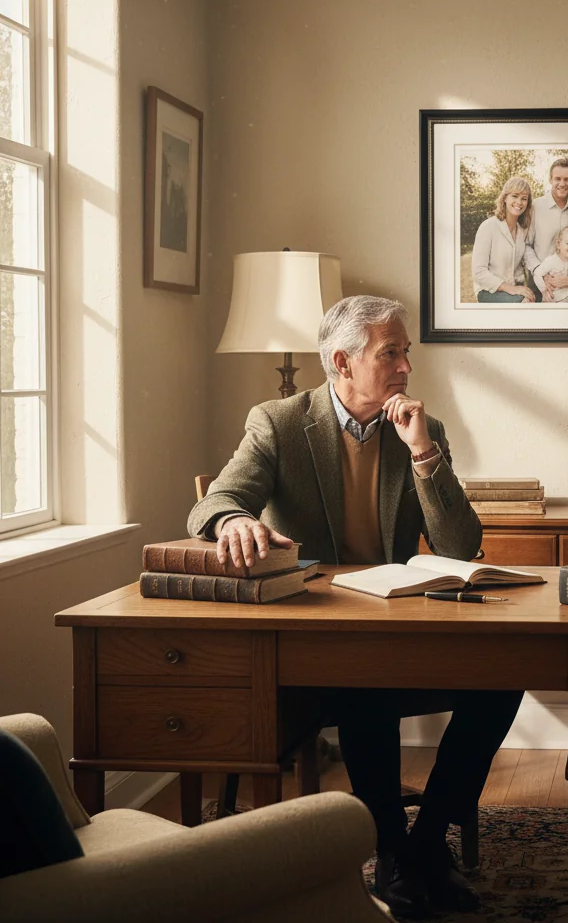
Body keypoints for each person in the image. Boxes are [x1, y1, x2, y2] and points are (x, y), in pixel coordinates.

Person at [187, 295, 524, 918]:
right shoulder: (280, 422)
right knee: (367, 686)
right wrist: (233, 518)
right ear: (341, 361)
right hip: (314, 644)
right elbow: (217, 500)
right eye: (388, 353)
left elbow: (459, 545)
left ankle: (423, 844)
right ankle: (392, 849)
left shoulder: (425, 430)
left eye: (406, 353)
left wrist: (423, 452)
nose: (404, 368)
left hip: (398, 626)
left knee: (505, 680)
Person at [471, 176, 536, 303]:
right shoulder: (488, 227)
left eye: (524, 199)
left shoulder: (522, 230)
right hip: (488, 291)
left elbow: (525, 261)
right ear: (505, 198)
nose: (519, 202)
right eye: (515, 196)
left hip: (514, 288)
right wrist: (511, 289)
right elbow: (478, 272)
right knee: (524, 303)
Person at [524, 158, 568, 273]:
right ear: (550, 179)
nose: (562, 184)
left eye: (567, 179)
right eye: (557, 179)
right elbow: (526, 245)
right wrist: (538, 270)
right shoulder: (535, 207)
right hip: (539, 278)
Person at [532, 225, 568, 302]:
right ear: (558, 244)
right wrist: (544, 290)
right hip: (552, 299)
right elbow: (537, 273)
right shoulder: (551, 261)